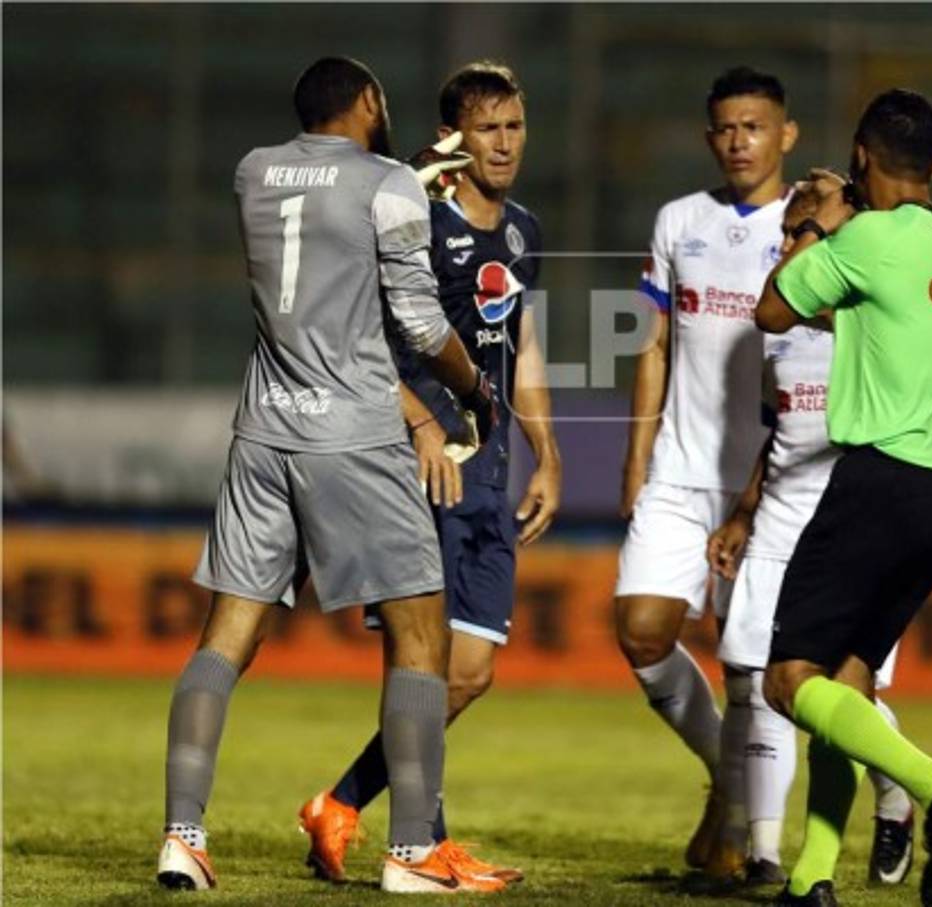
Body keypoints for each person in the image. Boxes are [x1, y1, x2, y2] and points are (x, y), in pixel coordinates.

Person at [156, 56, 495, 895]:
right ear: (372, 102)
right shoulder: (389, 185)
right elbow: (417, 319)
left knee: (226, 634)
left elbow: (327, 211)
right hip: (354, 434)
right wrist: (472, 387)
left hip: (264, 432)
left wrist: (404, 176)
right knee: (422, 632)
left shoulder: (252, 172)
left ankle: (182, 835)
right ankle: (414, 852)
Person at [296, 61, 558, 888]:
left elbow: (522, 349)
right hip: (418, 465)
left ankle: (341, 802)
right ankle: (422, 841)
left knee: (468, 671)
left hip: (490, 469)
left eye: (514, 126)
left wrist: (548, 451)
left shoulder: (523, 231)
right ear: (456, 136)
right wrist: (414, 426)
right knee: (422, 657)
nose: (505, 143)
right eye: (488, 128)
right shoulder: (415, 217)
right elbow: (362, 336)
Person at [754, 88, 932, 907]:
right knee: (843, 688)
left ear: (860, 157)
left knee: (786, 682)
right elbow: (872, 321)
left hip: (879, 486)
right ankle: (811, 878)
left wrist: (821, 220)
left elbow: (774, 307)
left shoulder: (862, 241)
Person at [706, 177, 914, 890]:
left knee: (841, 694)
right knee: (757, 681)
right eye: (788, 232)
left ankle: (900, 789)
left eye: (811, 231)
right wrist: (743, 509)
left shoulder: (874, 309)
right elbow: (782, 432)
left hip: (854, 520)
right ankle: (765, 852)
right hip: (780, 518)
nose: (795, 245)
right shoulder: (781, 329)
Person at [614, 65, 794, 878]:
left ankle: (746, 829)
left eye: (753, 126)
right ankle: (730, 781)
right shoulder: (679, 220)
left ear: (785, 134)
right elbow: (652, 346)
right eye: (725, 127)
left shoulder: (811, 227)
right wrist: (636, 457)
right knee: (642, 628)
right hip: (680, 472)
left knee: (747, 661)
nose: (738, 141)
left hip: (769, 479)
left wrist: (765, 488)